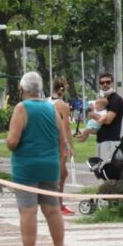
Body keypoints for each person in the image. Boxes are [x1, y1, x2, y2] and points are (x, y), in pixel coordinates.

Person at [7, 72, 68, 246]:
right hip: (50, 166)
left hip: (27, 168)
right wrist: (61, 164)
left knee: (28, 211)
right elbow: (62, 141)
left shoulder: (22, 108)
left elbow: (12, 142)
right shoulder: (51, 109)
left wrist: (10, 140)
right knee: (53, 211)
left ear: (22, 90)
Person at [50, 77, 75, 215]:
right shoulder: (63, 106)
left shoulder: (45, 102)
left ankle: (57, 202)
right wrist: (71, 146)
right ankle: (57, 204)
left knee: (63, 173)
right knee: (60, 174)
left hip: (48, 142)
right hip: (60, 143)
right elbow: (66, 128)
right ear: (64, 88)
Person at [92, 73, 123, 162]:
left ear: (112, 83)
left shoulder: (116, 99)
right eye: (102, 83)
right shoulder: (102, 99)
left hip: (111, 142)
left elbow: (108, 120)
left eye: (108, 82)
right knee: (100, 171)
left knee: (110, 171)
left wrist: (92, 115)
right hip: (100, 141)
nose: (105, 84)